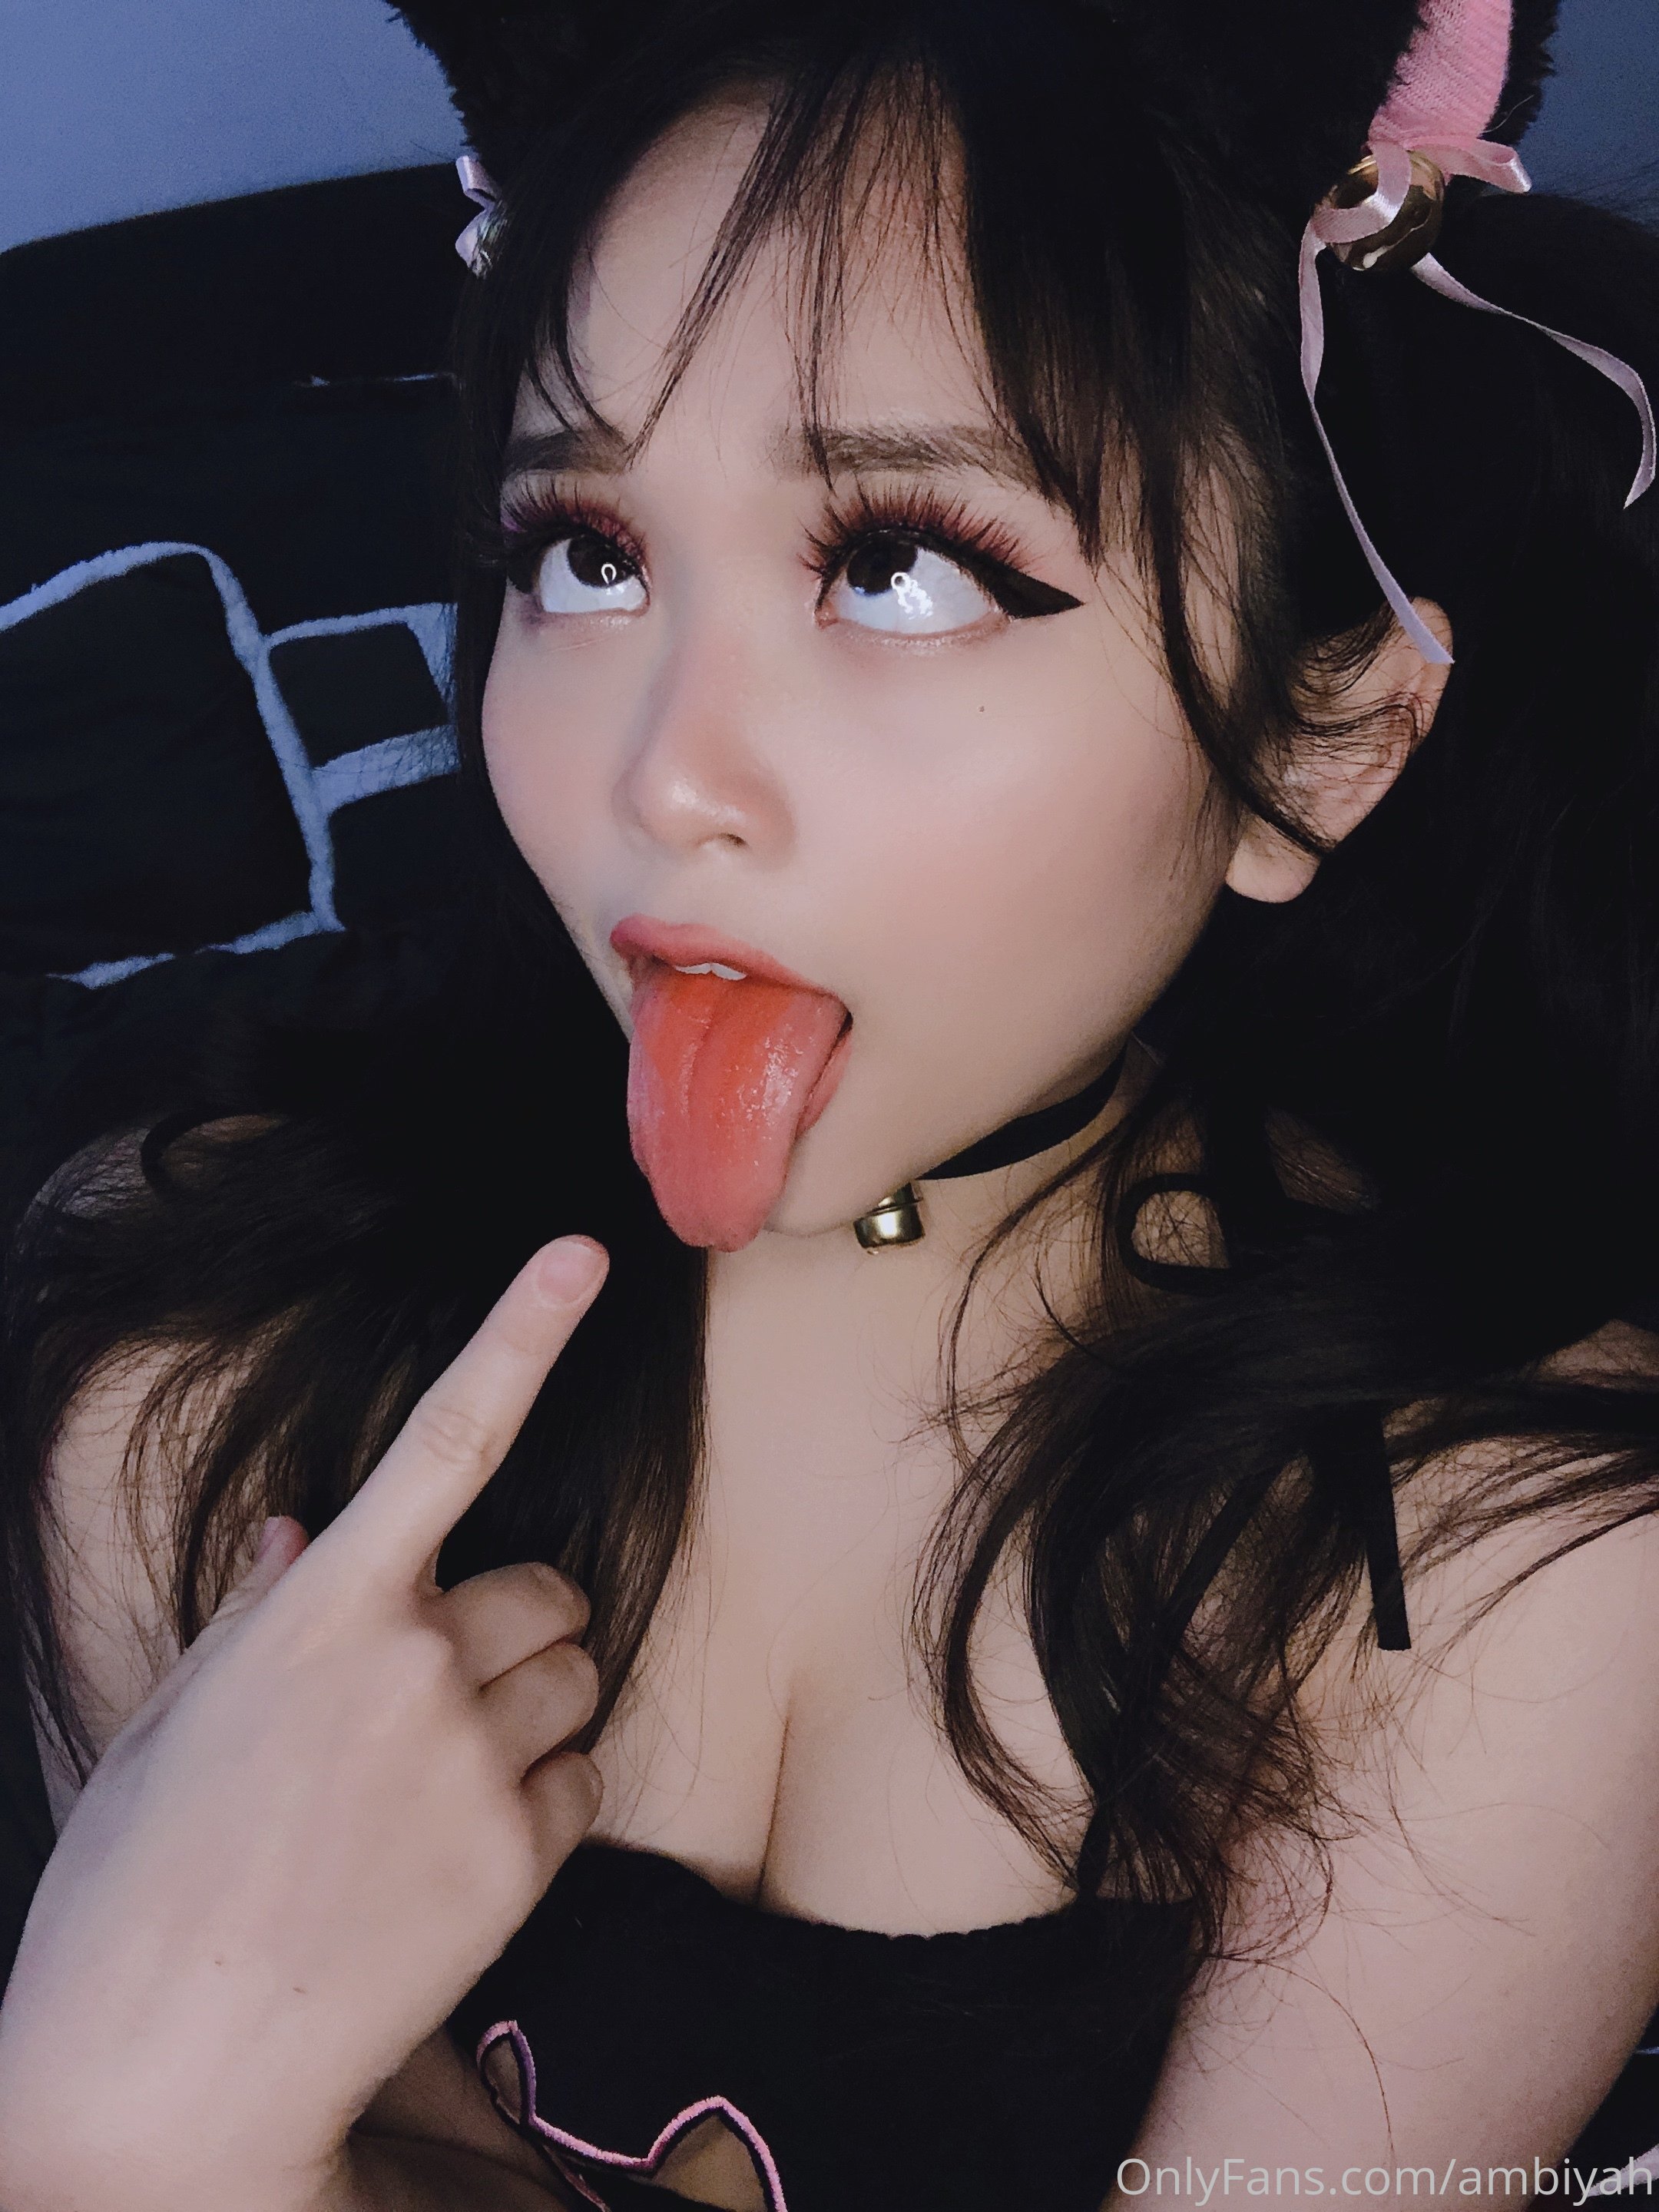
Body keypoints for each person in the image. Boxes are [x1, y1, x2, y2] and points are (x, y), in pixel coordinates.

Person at [2, 1, 1659, 2206]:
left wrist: (114, 2142)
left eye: (899, 566)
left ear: (1317, 737)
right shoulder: (184, 1367)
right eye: (584, 552)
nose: (663, 773)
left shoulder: (1505, 1577)